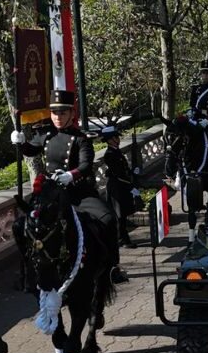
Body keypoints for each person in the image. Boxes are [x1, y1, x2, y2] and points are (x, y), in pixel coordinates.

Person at [12, 91, 117, 264]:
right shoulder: (46, 134)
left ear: (72, 114)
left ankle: (113, 267)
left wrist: (71, 175)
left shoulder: (81, 139)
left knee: (109, 219)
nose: (58, 117)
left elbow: (85, 165)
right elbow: (31, 150)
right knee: (22, 225)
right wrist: (21, 142)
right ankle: (29, 269)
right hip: (52, 193)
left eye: (63, 112)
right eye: (55, 112)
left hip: (79, 193)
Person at [100, 125, 140, 251]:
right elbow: (118, 173)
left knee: (123, 214)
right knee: (119, 215)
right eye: (115, 137)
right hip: (117, 187)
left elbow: (124, 169)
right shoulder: (110, 154)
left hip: (122, 186)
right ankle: (123, 239)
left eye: (117, 137)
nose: (118, 139)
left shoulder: (116, 151)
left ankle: (122, 238)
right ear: (109, 140)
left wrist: (133, 172)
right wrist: (131, 183)